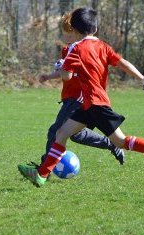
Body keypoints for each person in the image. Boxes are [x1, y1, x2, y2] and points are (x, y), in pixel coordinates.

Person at [18, 7, 144, 187]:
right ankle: (41, 175)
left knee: (120, 141)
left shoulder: (76, 48)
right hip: (88, 104)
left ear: (74, 29)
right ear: (94, 29)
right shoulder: (102, 46)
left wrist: (62, 68)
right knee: (61, 133)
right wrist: (143, 79)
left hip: (95, 104)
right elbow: (123, 64)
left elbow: (67, 76)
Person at [36, 12, 124, 169]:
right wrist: (50, 76)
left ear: (78, 32)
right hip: (70, 96)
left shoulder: (82, 49)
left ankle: (44, 169)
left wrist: (63, 69)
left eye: (69, 35)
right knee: (76, 134)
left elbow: (76, 73)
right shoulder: (67, 50)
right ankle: (111, 143)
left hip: (78, 97)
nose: (67, 38)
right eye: (64, 35)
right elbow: (66, 72)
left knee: (55, 132)